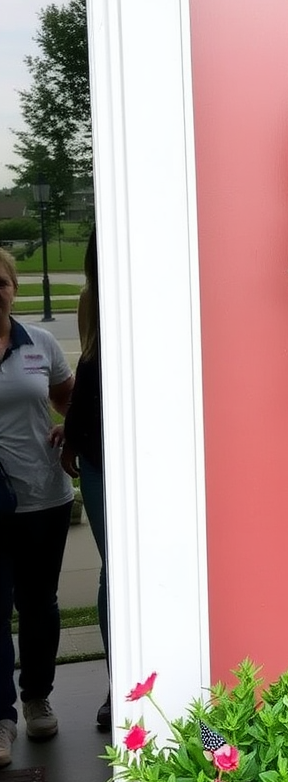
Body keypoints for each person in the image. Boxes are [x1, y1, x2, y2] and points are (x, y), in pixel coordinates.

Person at [0, 247, 75, 768]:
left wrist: (70, 426)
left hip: (45, 497)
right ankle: (0, 715)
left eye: (0, 282)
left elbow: (70, 398)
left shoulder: (40, 343)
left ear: (14, 287)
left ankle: (36, 698)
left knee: (39, 604)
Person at [61, 230, 109, 730]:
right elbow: (89, 368)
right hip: (97, 457)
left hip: (144, 454)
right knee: (111, 572)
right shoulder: (90, 301)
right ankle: (120, 686)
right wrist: (71, 432)